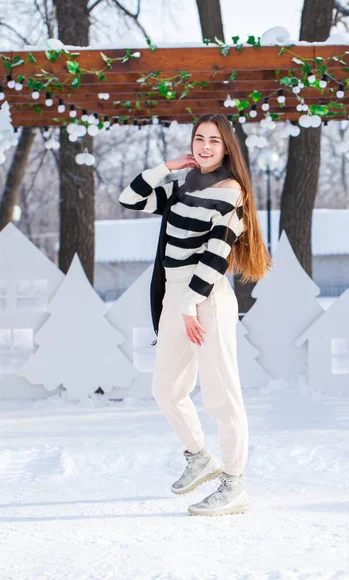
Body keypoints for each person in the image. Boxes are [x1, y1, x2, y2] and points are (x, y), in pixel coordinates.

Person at [119, 113, 271, 516]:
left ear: (227, 148)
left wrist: (190, 307)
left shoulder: (230, 191)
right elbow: (128, 198)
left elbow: (215, 256)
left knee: (222, 395)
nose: (205, 146)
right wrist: (166, 168)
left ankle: (235, 484)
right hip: (175, 297)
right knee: (166, 388)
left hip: (206, 299)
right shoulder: (183, 184)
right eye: (199, 138)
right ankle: (200, 456)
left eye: (214, 141)